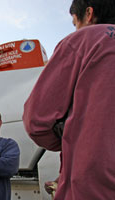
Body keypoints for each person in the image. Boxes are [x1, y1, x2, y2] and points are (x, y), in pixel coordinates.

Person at [22, 0, 115, 199]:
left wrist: (72, 141)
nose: (76, 30)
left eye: (75, 24)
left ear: (89, 14)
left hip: (92, 185)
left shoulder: (83, 40)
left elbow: (36, 121)